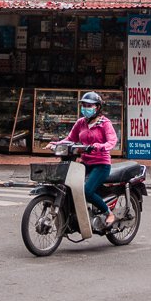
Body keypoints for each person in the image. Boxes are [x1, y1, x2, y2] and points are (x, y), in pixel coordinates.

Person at [60, 91, 119, 228]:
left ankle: (108, 213)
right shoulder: (81, 123)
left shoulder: (105, 123)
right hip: (85, 163)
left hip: (101, 165)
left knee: (87, 191)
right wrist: (55, 144)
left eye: (89, 105)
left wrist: (101, 146)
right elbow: (70, 139)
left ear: (97, 107)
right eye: (84, 105)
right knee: (67, 185)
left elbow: (112, 141)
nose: (85, 108)